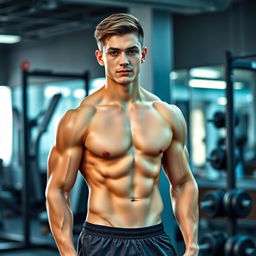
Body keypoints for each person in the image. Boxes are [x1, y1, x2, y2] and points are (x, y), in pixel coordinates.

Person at [45, 13, 199, 256]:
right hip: (103, 240)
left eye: (132, 51)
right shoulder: (81, 118)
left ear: (143, 54)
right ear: (100, 57)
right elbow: (57, 189)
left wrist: (192, 244)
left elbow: (182, 183)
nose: (123, 60)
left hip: (155, 238)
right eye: (114, 52)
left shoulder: (167, 115)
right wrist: (67, 252)